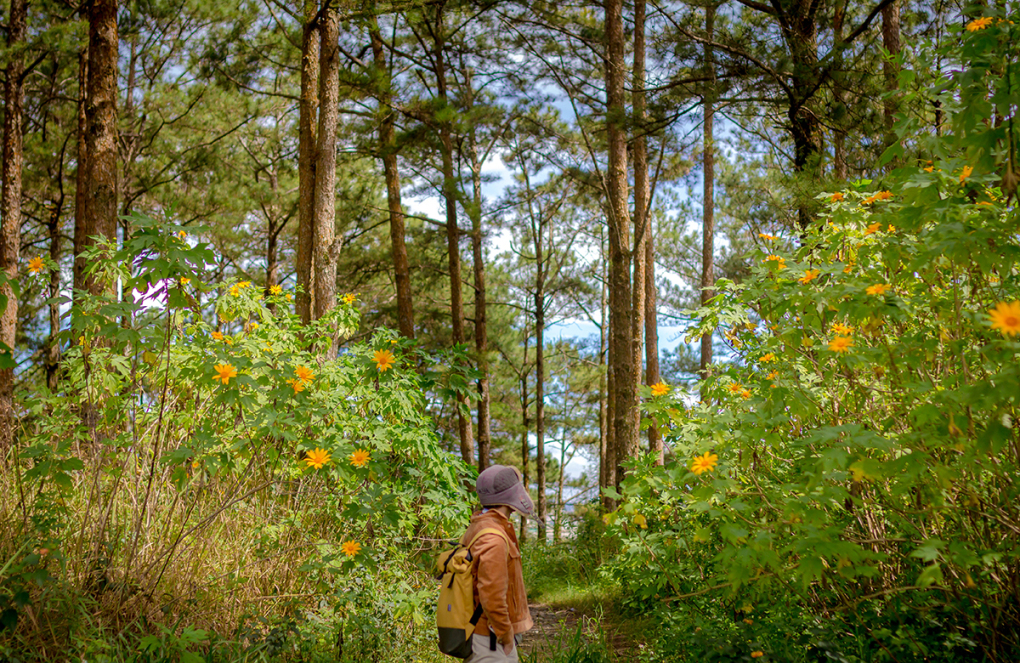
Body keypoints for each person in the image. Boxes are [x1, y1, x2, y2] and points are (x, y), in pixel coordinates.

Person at [460, 464, 535, 662]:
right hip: (490, 640)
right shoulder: (493, 537)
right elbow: (491, 593)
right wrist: (505, 633)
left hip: (484, 636)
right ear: (512, 496)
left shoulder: (480, 526)